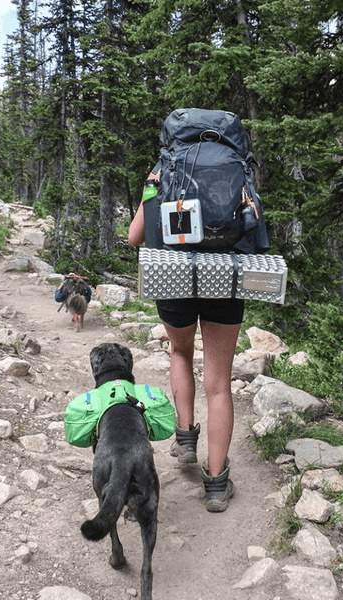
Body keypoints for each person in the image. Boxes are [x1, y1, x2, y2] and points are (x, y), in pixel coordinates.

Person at [128, 171, 245, 513]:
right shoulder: (234, 168)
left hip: (173, 275)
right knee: (220, 383)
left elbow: (136, 237)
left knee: (179, 351)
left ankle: (186, 441)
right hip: (224, 276)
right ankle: (217, 487)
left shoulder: (163, 170)